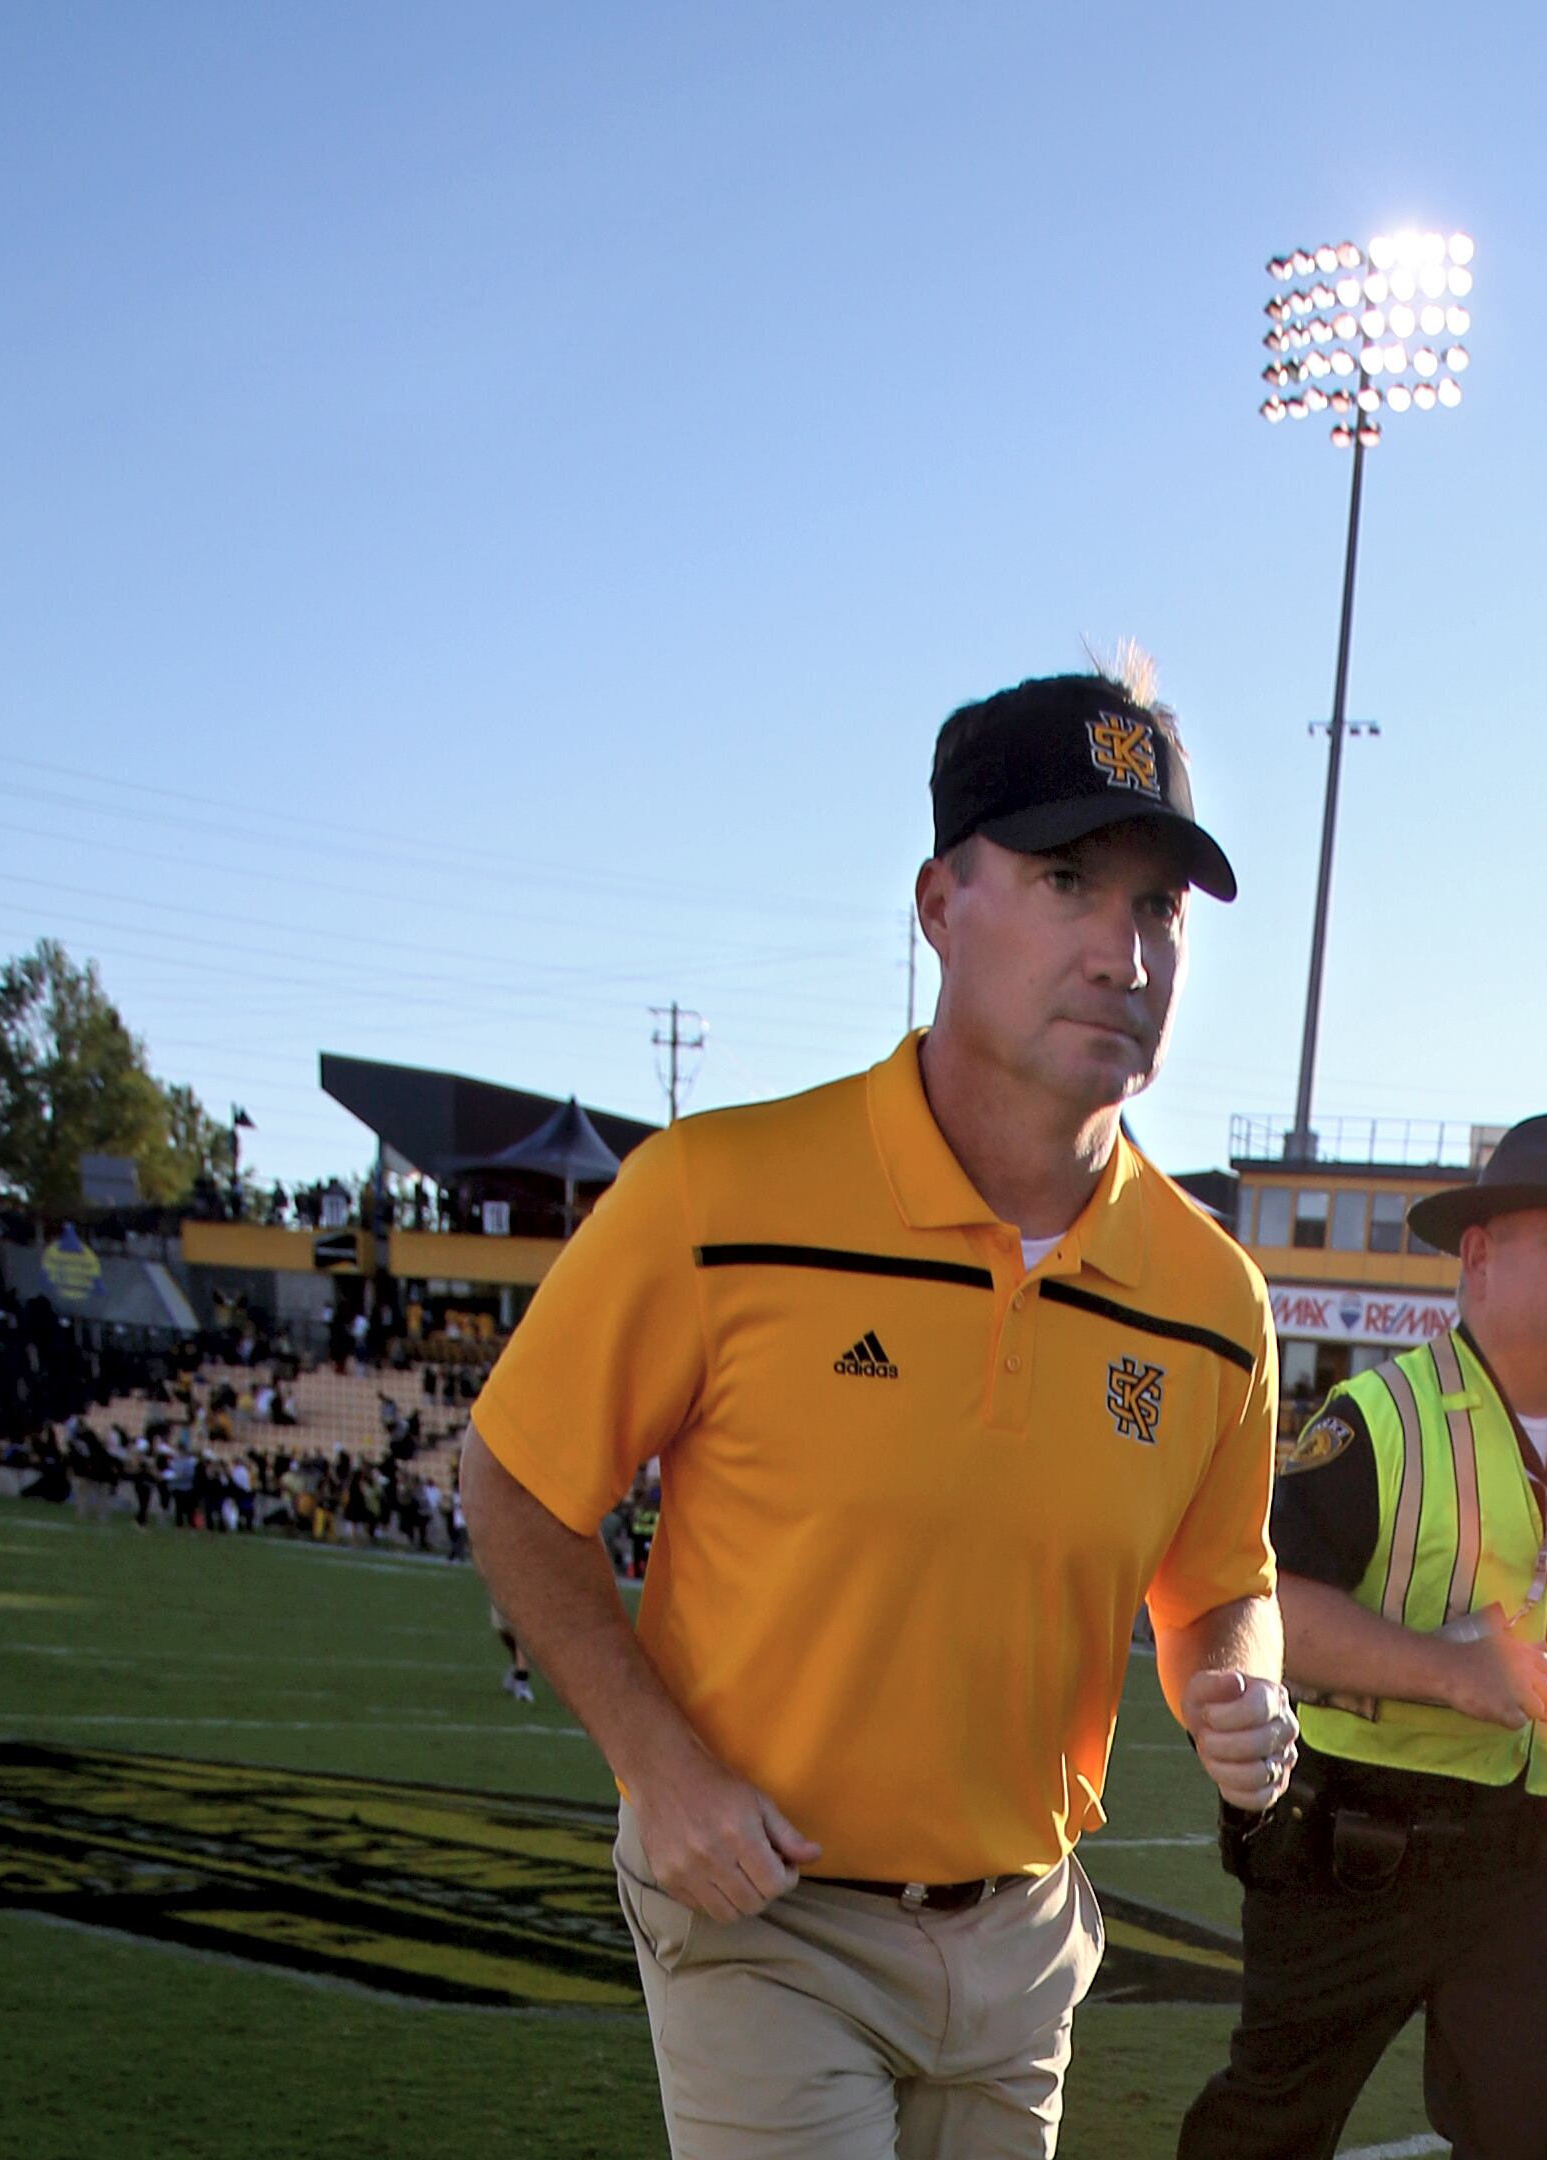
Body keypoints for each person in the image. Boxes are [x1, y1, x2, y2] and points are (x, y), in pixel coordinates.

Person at [466, 667, 1297, 2160]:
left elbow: (1220, 1585)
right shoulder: (718, 1198)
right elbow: (516, 1482)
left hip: (1027, 1946)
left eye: (1160, 908)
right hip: (766, 1915)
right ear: (938, 903)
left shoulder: (1215, 1301)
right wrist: (662, 1772)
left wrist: (1239, 1678)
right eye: (1066, 882)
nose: (1123, 951)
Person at [1182, 1114, 1547, 2160]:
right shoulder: (1381, 1418)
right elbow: (1264, 1609)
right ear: (1480, 1257)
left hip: (1541, 1858)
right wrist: (1448, 1676)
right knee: (1267, 2130)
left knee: (1526, 2133)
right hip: (1360, 1849)